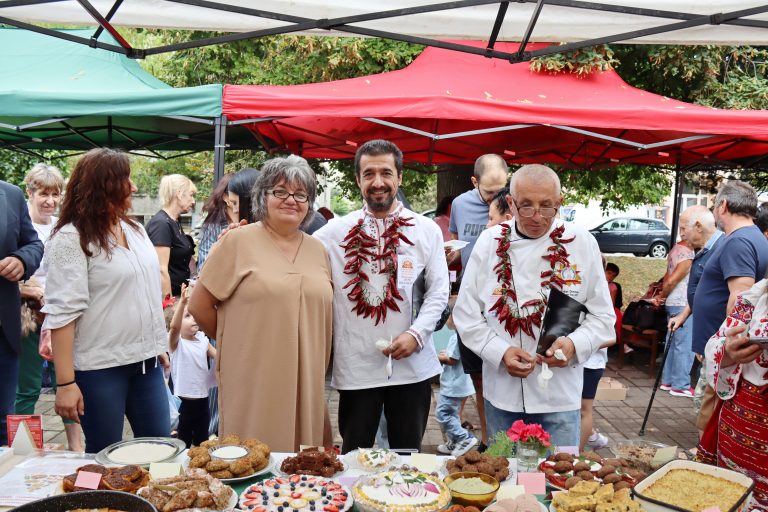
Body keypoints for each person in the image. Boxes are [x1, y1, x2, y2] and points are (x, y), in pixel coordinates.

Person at [453, 164, 615, 447]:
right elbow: (466, 316)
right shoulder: (488, 243)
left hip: (560, 397)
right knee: (503, 478)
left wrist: (573, 344)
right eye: (526, 206)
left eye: (547, 206)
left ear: (559, 203)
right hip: (502, 395)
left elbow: (603, 319)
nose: (537, 217)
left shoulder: (582, 243)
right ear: (511, 204)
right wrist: (500, 351)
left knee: (556, 483)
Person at [189, 155, 333, 452]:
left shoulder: (319, 250)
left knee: (305, 467)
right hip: (254, 376)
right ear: (262, 196)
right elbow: (199, 306)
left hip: (308, 379)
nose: (290, 200)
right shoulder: (237, 242)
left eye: (300, 194)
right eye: (280, 191)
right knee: (253, 459)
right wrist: (238, 343)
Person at [314, 139, 449, 454]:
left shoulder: (426, 230)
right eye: (369, 173)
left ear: (399, 177)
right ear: (358, 179)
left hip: (412, 367)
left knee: (407, 454)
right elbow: (290, 249)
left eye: (386, 172)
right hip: (357, 366)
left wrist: (417, 334)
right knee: (354, 453)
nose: (378, 182)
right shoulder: (333, 233)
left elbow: (439, 291)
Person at [42, 148, 170, 453]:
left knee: (163, 449)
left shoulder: (136, 230)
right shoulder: (71, 240)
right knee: (104, 454)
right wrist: (65, 384)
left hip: (146, 364)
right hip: (99, 369)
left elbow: (147, 292)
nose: (134, 187)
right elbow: (63, 315)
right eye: (126, 179)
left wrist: (157, 343)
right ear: (104, 186)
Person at [14, 164, 83, 452]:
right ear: (29, 192)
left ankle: (75, 446)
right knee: (27, 385)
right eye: (43, 193)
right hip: (28, 315)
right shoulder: (19, 226)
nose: (50, 201)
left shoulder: (62, 227)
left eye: (55, 194)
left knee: (65, 382)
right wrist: (26, 288)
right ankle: (25, 447)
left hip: (59, 316)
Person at [690, 181, 768, 436]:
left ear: (723, 205)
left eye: (714, 205)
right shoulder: (749, 237)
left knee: (709, 423)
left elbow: (740, 297)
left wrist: (725, 347)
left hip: (725, 355)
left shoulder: (739, 241)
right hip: (725, 353)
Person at [447, 154, 509, 451]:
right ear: (474, 182)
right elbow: (461, 251)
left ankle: (507, 439)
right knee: (479, 380)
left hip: (505, 302)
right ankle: (487, 438)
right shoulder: (460, 204)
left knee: (504, 377)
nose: (496, 198)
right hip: (473, 301)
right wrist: (449, 256)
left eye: (502, 189)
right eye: (489, 192)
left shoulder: (514, 202)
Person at [699, 278, 768, 510]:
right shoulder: (754, 297)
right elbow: (716, 343)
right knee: (729, 498)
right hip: (736, 429)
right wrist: (728, 352)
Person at [0, 180, 43, 446]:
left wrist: (21, 260)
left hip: (3, 332)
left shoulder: (10, 194)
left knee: (3, 424)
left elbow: (33, 244)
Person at [169, 283, 215, 447]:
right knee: (183, 443)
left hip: (203, 401)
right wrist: (182, 303)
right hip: (184, 402)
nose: (193, 319)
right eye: (187, 316)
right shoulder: (177, 343)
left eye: (194, 314)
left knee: (203, 441)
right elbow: (174, 327)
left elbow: (218, 355)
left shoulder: (203, 339)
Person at [657, 209, 695, 397]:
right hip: (682, 302)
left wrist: (663, 296)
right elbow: (672, 280)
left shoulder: (675, 249)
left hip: (673, 301)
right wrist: (664, 294)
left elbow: (667, 276)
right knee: (683, 344)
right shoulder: (688, 254)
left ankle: (667, 380)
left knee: (671, 343)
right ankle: (680, 384)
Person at [146, 174, 197, 299]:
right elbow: (161, 269)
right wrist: (169, 305)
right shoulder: (162, 224)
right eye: (191, 195)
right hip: (168, 299)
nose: (193, 201)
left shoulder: (174, 221)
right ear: (179, 194)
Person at [436, 309, 478, 457]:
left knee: (443, 414)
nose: (446, 320)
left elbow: (452, 360)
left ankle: (464, 438)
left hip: (453, 385)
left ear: (454, 318)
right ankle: (454, 441)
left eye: (447, 317)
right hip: (461, 384)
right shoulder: (464, 335)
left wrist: (439, 358)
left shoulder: (456, 337)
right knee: (452, 414)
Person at [197, 173, 235, 271]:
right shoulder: (213, 226)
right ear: (225, 197)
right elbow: (203, 265)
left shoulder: (251, 221)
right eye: (237, 191)